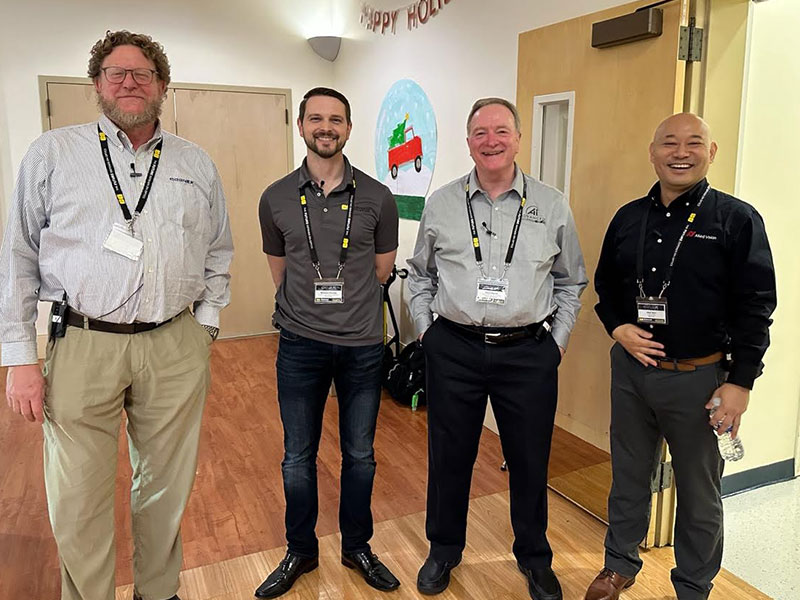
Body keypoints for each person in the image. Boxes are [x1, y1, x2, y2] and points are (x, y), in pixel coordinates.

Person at [0, 30, 233, 600]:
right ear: (97, 84)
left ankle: (159, 590)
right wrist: (20, 357)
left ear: (162, 85)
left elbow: (219, 249)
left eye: (142, 74)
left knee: (166, 484)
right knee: (78, 493)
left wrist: (205, 324)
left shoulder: (195, 163)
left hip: (174, 343)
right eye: (116, 73)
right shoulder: (52, 154)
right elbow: (18, 256)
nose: (130, 82)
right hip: (83, 341)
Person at [587, 113, 776, 600]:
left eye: (694, 143)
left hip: (700, 379)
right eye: (669, 143)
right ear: (652, 153)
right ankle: (618, 565)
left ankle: (693, 585)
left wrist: (741, 382)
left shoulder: (736, 220)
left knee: (698, 491)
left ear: (711, 153)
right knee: (629, 475)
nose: (680, 152)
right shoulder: (629, 218)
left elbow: (756, 307)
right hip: (632, 373)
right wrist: (618, 327)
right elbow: (606, 286)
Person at [407, 97, 587, 600]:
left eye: (502, 131)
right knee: (449, 457)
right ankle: (443, 549)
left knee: (529, 460)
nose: (491, 141)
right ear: (468, 142)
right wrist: (426, 332)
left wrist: (556, 343)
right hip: (454, 348)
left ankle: (534, 558)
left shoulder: (551, 205)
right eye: (481, 132)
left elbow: (571, 281)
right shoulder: (442, 204)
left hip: (528, 352)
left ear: (518, 139)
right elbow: (419, 275)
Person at [255, 87, 400, 598]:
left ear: (348, 128)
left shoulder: (378, 197)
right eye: (315, 118)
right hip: (300, 344)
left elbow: (382, 270)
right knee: (298, 456)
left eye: (336, 119)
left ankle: (357, 546)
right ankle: (301, 549)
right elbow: (280, 272)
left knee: (360, 455)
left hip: (362, 346)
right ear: (300, 126)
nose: (326, 127)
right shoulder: (275, 197)